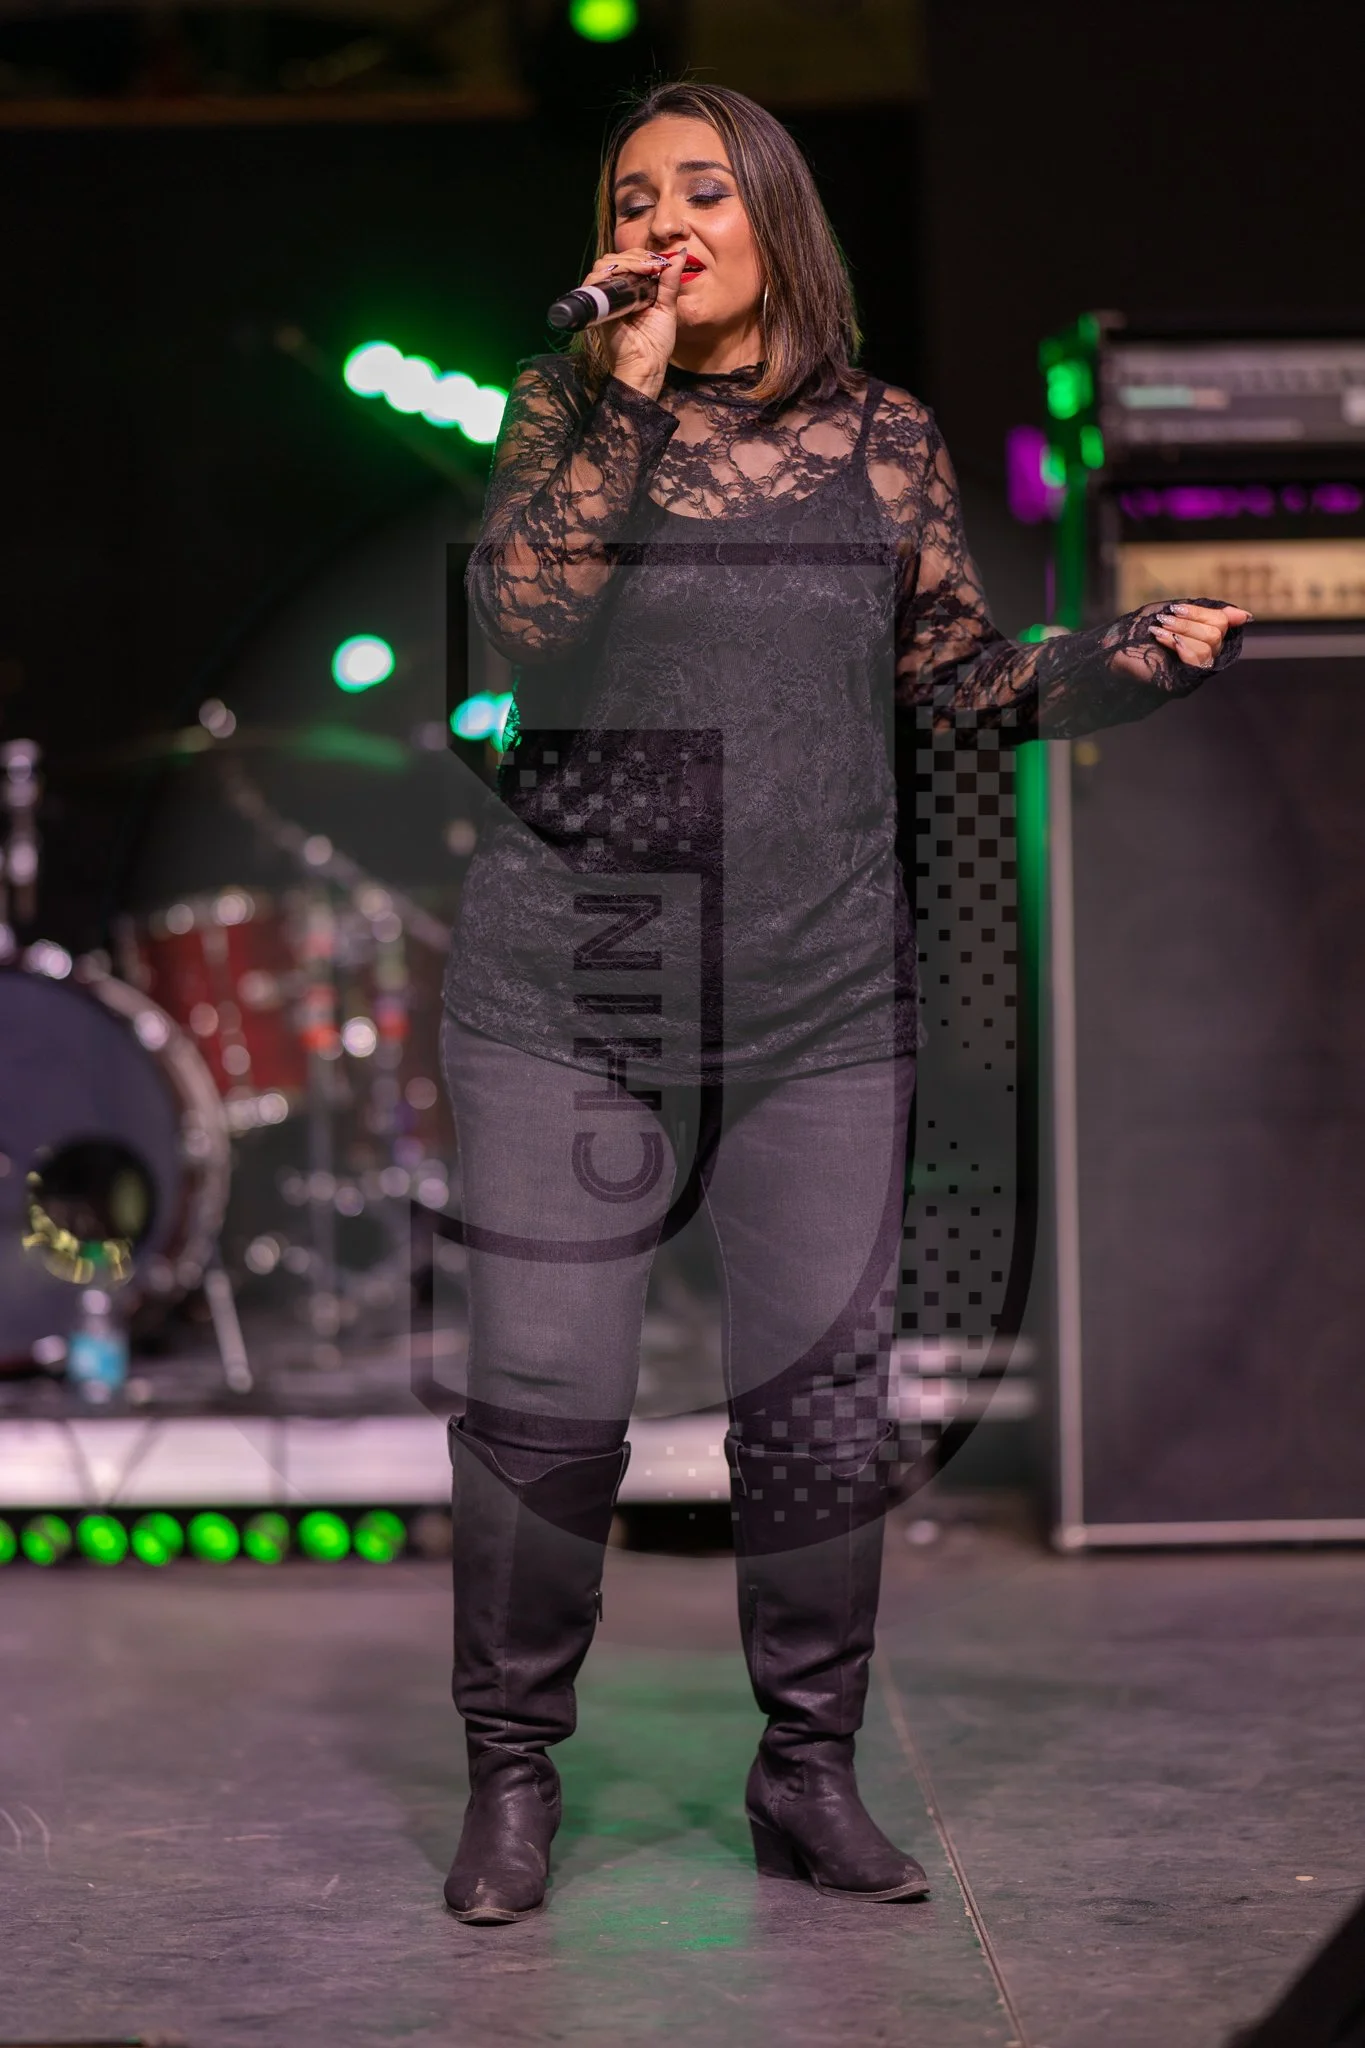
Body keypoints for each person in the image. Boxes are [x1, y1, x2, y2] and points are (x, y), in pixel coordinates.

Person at [438, 80, 1247, 1926]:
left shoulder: (883, 438)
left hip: (814, 1001)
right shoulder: (563, 408)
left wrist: (1125, 665)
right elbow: (525, 623)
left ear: (774, 219)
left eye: (702, 193)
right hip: (568, 992)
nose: (662, 224)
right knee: (546, 1413)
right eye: (631, 200)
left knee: (815, 1415)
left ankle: (807, 1769)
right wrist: (626, 392)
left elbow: (956, 678)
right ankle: (512, 1771)